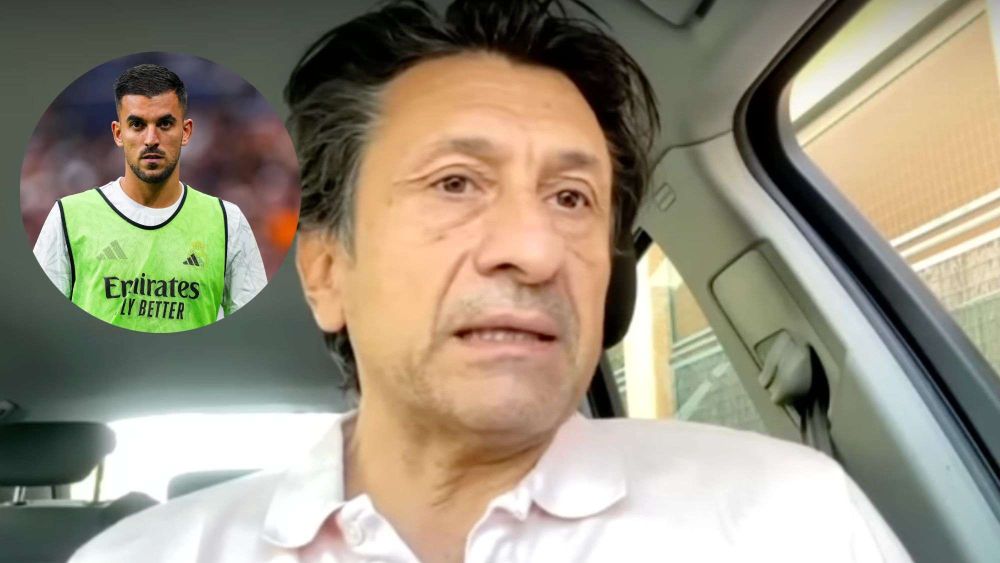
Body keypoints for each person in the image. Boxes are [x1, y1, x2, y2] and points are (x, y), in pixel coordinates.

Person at [72, 1, 912, 561]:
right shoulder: (141, 556)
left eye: (572, 197)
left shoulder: (790, 522)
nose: (535, 250)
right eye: (455, 183)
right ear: (325, 270)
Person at [32, 64, 266, 333]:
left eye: (165, 124)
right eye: (137, 125)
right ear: (118, 133)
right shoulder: (68, 218)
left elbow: (252, 331)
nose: (151, 139)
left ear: (186, 132)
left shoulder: (227, 222)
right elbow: (43, 328)